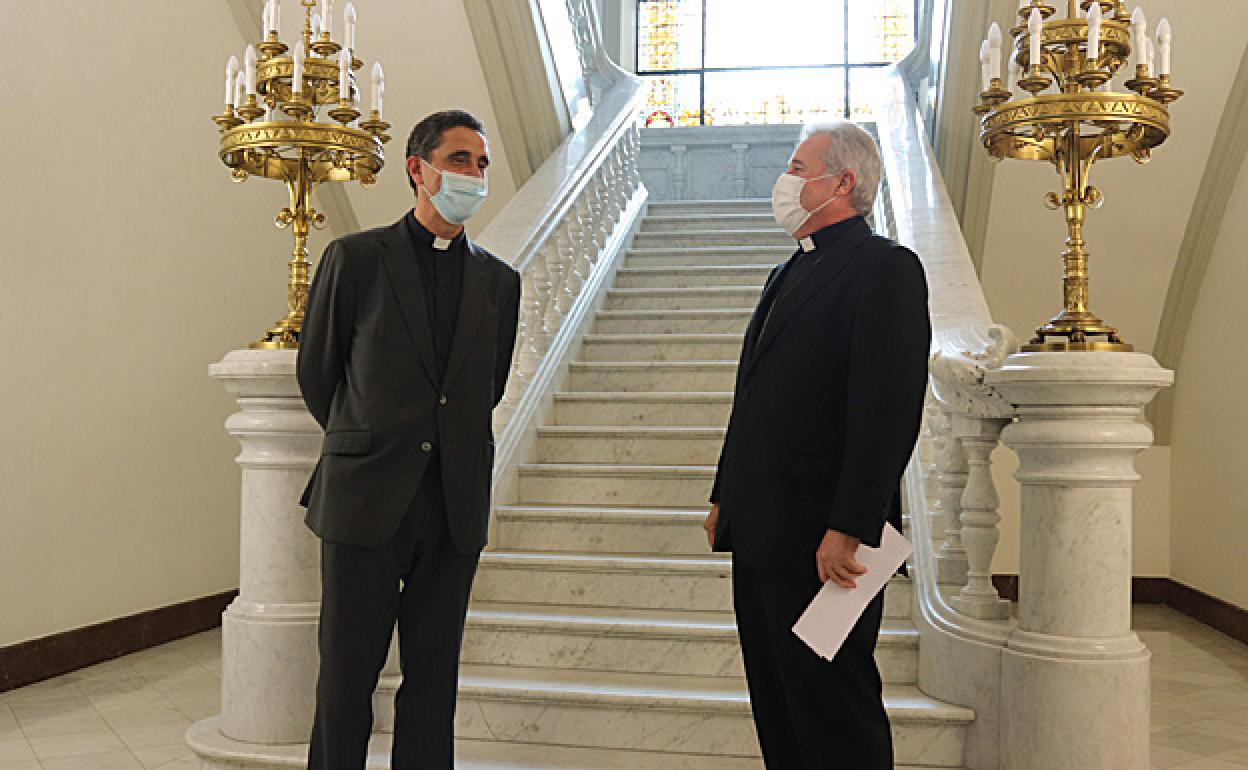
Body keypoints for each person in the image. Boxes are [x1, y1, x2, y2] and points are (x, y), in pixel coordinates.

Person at [296, 109, 520, 770]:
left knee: (433, 680)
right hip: (365, 498)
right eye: (459, 160)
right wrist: (370, 442)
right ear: (417, 170)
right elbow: (319, 375)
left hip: (451, 506)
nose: (473, 176)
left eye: (481, 164)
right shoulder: (356, 259)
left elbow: (490, 386)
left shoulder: (499, 283)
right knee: (346, 677)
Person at [704, 122, 931, 769]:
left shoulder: (887, 269)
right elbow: (753, 398)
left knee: (835, 706)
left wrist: (850, 525)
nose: (787, 180)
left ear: (844, 180)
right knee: (777, 701)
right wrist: (726, 495)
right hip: (761, 532)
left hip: (828, 543)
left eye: (798, 167)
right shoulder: (786, 271)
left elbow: (887, 412)